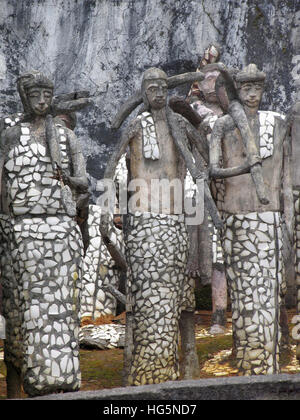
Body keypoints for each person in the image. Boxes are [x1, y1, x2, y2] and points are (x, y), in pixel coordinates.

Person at [100, 67, 219, 385]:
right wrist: (105, 209)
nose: (157, 93)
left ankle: (189, 359)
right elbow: (112, 165)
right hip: (141, 226)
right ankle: (134, 366)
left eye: (161, 87)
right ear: (143, 92)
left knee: (183, 299)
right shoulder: (136, 126)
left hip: (176, 222)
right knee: (138, 297)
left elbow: (204, 158)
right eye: (150, 88)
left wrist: (204, 181)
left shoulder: (179, 125)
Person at [0, 70, 89, 397]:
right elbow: (2, 192)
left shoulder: (66, 138)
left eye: (46, 96)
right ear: (25, 96)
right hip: (22, 234)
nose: (41, 101)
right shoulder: (11, 137)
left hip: (60, 232)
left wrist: (66, 179)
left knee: (63, 313)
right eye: (35, 95)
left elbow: (84, 184)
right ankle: (19, 386)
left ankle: (63, 381)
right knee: (23, 314)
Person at [209, 63, 292, 375]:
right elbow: (213, 170)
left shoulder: (277, 122)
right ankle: (248, 364)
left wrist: (285, 214)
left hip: (269, 218)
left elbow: (284, 174)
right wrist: (244, 168)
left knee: (269, 297)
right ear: (238, 91)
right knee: (245, 301)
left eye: (257, 88)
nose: (253, 94)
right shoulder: (224, 125)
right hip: (237, 218)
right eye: (246, 89)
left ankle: (269, 364)